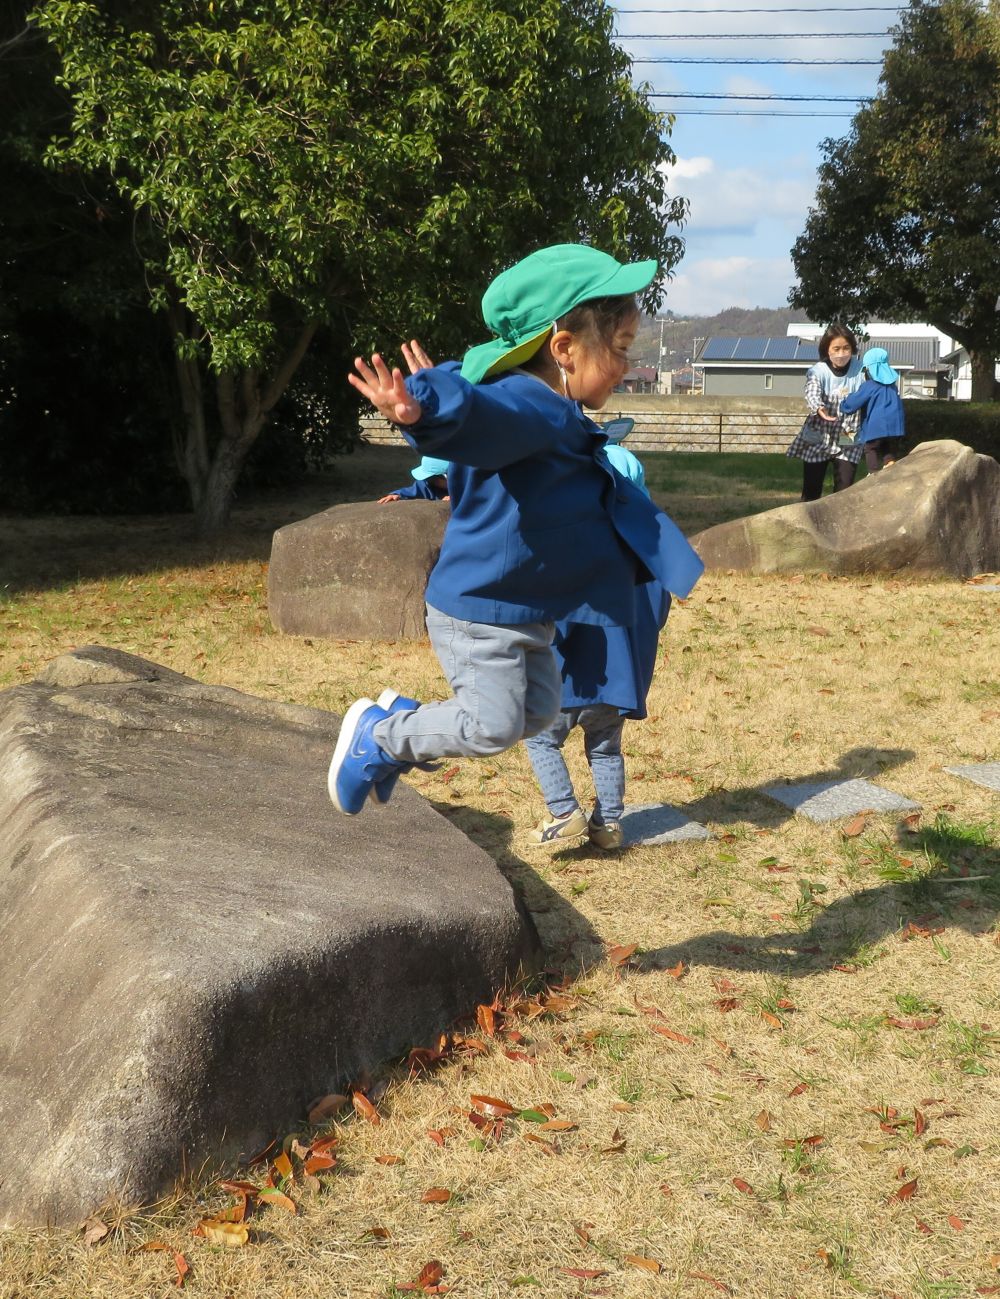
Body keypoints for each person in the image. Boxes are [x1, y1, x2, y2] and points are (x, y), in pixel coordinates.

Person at [327, 242, 704, 816]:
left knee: (534, 716)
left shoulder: (550, 409)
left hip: (525, 611)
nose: (628, 366)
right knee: (492, 725)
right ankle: (378, 738)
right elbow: (483, 413)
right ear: (564, 349)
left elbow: (473, 400)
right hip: (481, 609)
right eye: (622, 349)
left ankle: (402, 719)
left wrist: (441, 402)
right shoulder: (534, 406)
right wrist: (425, 408)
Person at [524, 441, 668, 851]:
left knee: (539, 737)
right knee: (605, 750)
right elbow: (657, 615)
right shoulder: (647, 556)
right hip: (619, 683)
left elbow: (551, 615)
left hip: (568, 679)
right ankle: (608, 826)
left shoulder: (572, 548)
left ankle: (563, 810)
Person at [786, 324, 866, 501]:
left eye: (846, 348)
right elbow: (812, 390)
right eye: (836, 349)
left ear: (852, 348)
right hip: (819, 433)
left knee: (844, 490)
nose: (841, 353)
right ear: (827, 350)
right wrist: (819, 407)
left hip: (848, 432)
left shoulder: (860, 370)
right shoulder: (818, 370)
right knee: (811, 491)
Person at [838, 346, 906, 472]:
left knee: (870, 448)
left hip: (876, 426)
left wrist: (843, 404)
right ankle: (889, 464)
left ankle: (873, 473)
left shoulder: (869, 386)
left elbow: (852, 403)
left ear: (870, 369)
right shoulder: (893, 387)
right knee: (886, 446)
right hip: (895, 426)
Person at [376, 455, 451, 504]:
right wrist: (397, 495)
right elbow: (413, 491)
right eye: (428, 478)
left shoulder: (462, 487)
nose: (428, 480)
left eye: (432, 478)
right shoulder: (428, 484)